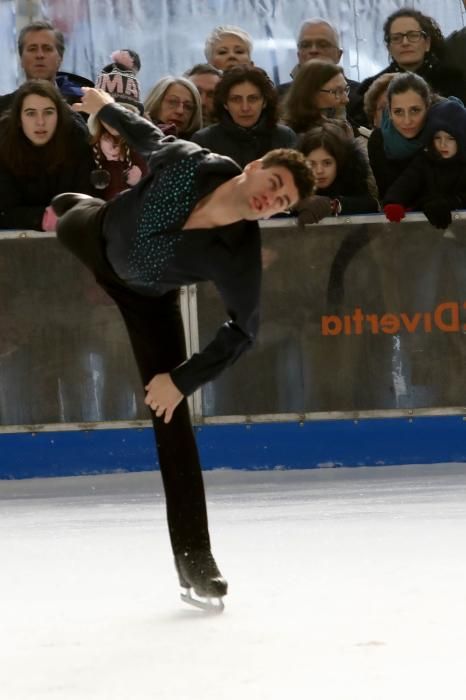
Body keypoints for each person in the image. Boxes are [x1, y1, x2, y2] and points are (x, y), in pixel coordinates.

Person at [51, 87, 314, 609]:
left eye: (283, 202)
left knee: (171, 417)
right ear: (256, 165)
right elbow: (145, 135)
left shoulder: (238, 254)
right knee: (64, 214)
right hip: (95, 235)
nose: (272, 198)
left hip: (148, 299)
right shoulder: (194, 164)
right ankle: (70, 202)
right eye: (275, 183)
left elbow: (243, 329)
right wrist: (105, 107)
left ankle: (195, 557)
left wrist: (182, 379)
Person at [0, 80, 94, 231]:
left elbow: (86, 200)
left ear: (59, 116)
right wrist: (42, 218)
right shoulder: (3, 145)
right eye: (31, 113)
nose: (40, 122)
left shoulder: (76, 140)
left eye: (48, 112)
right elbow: (3, 211)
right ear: (19, 119)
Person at [354, 8, 466, 126]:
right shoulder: (373, 88)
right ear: (389, 47)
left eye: (413, 35)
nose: (405, 42)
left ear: (427, 43)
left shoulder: (452, 80)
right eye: (397, 38)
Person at [383, 98, 466, 229]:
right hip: (425, 230)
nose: (443, 144)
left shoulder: (463, 165)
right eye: (437, 137)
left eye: (450, 138)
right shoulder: (424, 160)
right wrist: (394, 201)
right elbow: (407, 182)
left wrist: (450, 203)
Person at [191, 65, 296, 168]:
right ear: (225, 103)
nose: (245, 108)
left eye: (253, 99)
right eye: (236, 99)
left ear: (264, 102)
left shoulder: (284, 136)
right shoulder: (204, 140)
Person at [278, 18, 360, 127]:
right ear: (298, 55)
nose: (313, 50)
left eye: (323, 45)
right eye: (306, 45)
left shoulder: (359, 96)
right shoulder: (279, 97)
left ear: (338, 55)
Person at [88, 50, 148, 199]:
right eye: (109, 113)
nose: (115, 120)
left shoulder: (143, 146)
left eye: (124, 112)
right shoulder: (88, 147)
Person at [367, 72, 437, 199]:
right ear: (389, 112)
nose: (407, 121)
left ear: (427, 107)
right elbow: (387, 192)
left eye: (415, 110)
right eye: (398, 112)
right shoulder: (379, 140)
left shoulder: (441, 134)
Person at [0, 20, 94, 114]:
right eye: (32, 49)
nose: (40, 55)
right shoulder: (3, 109)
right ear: (21, 59)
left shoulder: (85, 105)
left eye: (47, 49)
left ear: (60, 58)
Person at [296, 121, 379, 223]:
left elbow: (370, 205)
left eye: (327, 163)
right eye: (311, 164)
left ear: (339, 162)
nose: (319, 170)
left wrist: (333, 205)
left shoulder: (352, 179)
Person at [282, 60, 351, 136]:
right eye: (337, 91)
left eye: (346, 90)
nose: (346, 99)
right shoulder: (288, 136)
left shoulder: (343, 128)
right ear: (310, 93)